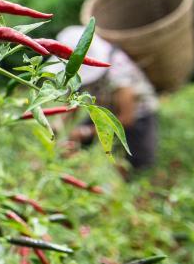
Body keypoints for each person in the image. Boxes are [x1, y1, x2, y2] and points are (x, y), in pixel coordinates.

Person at [52, 26, 160, 173]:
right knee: (70, 144)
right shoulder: (80, 70)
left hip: (137, 114)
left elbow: (127, 118)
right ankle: (73, 171)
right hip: (106, 110)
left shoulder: (117, 68)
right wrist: (57, 124)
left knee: (138, 164)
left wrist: (86, 132)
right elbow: (72, 100)